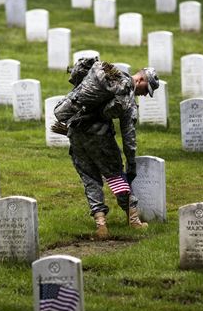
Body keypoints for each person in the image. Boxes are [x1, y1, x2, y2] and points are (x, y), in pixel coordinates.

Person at [54, 60, 160, 239]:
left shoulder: (105, 78)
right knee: (115, 176)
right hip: (100, 138)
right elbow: (129, 137)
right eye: (145, 89)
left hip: (75, 133)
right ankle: (134, 220)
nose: (144, 95)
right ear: (141, 79)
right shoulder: (125, 93)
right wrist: (130, 163)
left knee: (89, 179)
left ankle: (100, 224)